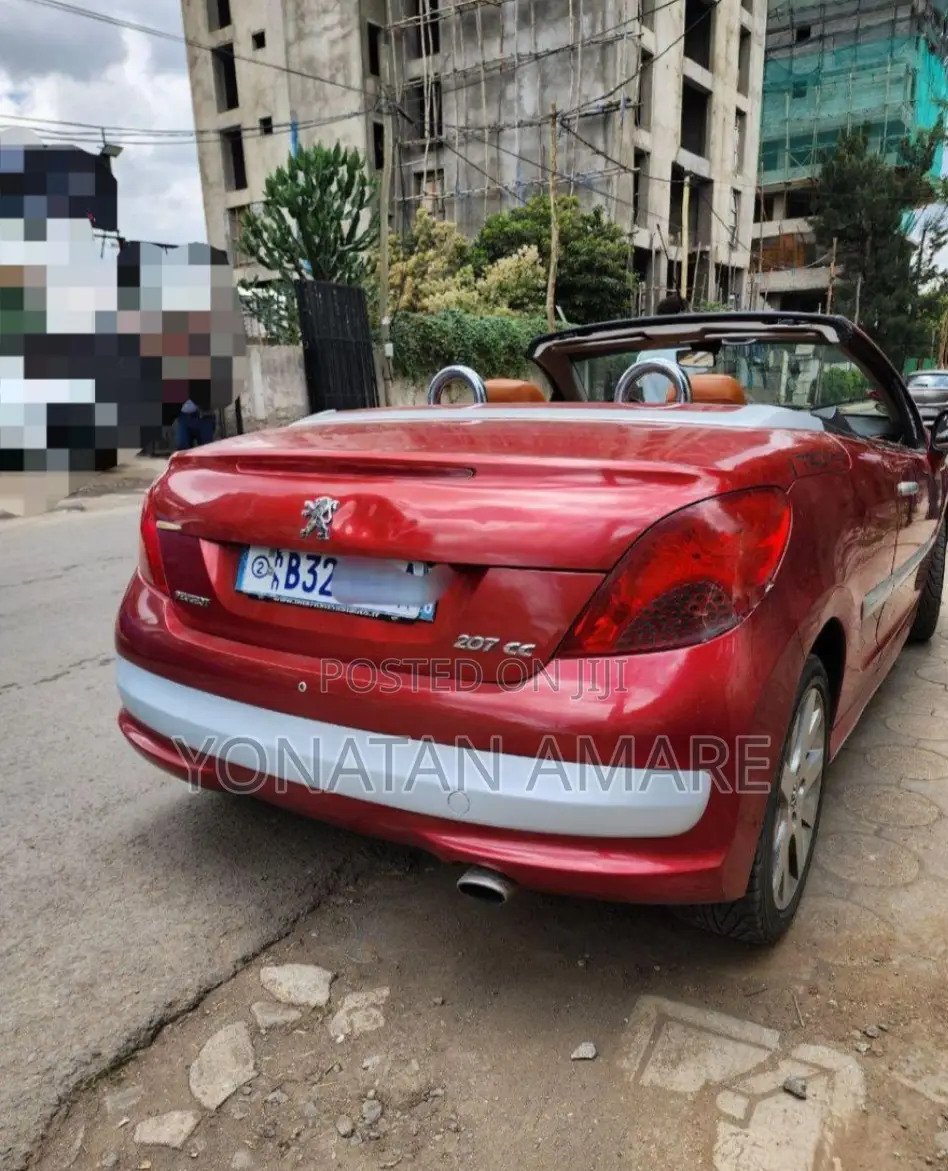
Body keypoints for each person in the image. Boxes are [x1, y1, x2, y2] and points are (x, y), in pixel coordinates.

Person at [639, 290, 691, 402]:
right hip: (687, 415)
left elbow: (638, 389)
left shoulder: (644, 356)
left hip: (650, 416)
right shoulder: (695, 355)